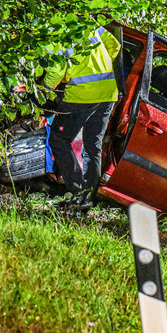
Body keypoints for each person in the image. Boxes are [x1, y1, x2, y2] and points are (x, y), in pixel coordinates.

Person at [43, 25, 120, 209]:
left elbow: (56, 71)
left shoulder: (56, 30)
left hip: (83, 94)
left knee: (59, 139)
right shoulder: (89, 23)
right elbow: (115, 46)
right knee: (93, 145)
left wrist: (43, 90)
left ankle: (78, 192)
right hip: (109, 91)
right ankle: (87, 198)